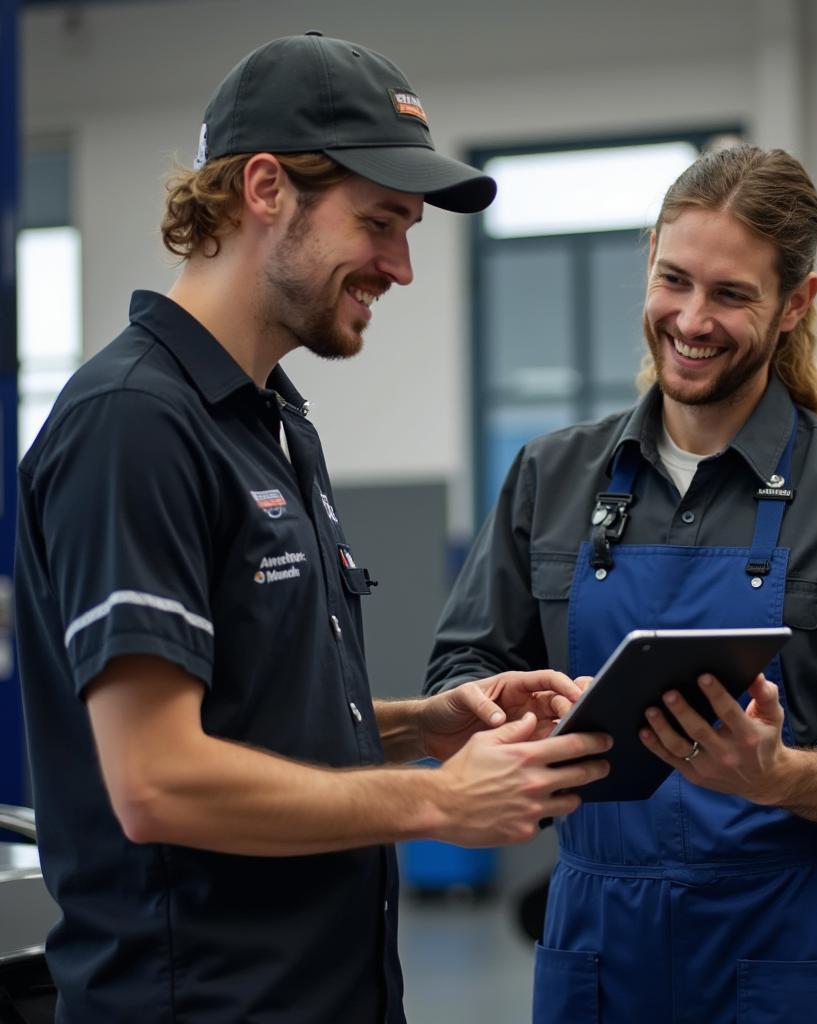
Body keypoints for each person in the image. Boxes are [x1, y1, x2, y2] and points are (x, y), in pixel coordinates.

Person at [13, 32, 612, 1024]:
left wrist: (425, 727)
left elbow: (251, 714)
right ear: (263, 188)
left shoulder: (274, 425)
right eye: (379, 222)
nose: (402, 267)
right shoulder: (132, 424)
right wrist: (437, 801)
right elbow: (156, 779)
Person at [425, 144, 817, 1024]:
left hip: (787, 948)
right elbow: (459, 675)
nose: (691, 319)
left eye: (732, 294)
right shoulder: (551, 477)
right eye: (675, 280)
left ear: (794, 306)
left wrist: (780, 774)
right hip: (598, 944)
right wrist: (512, 718)